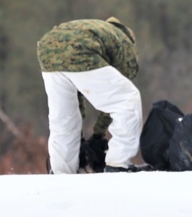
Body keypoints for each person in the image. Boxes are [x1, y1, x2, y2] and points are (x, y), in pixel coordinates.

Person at [37, 17, 143, 174]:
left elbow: (76, 97)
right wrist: (98, 135)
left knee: (65, 117)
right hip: (80, 49)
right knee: (127, 99)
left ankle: (61, 169)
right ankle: (119, 162)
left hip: (47, 49)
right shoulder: (124, 44)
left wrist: (79, 139)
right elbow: (115, 101)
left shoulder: (96, 29)